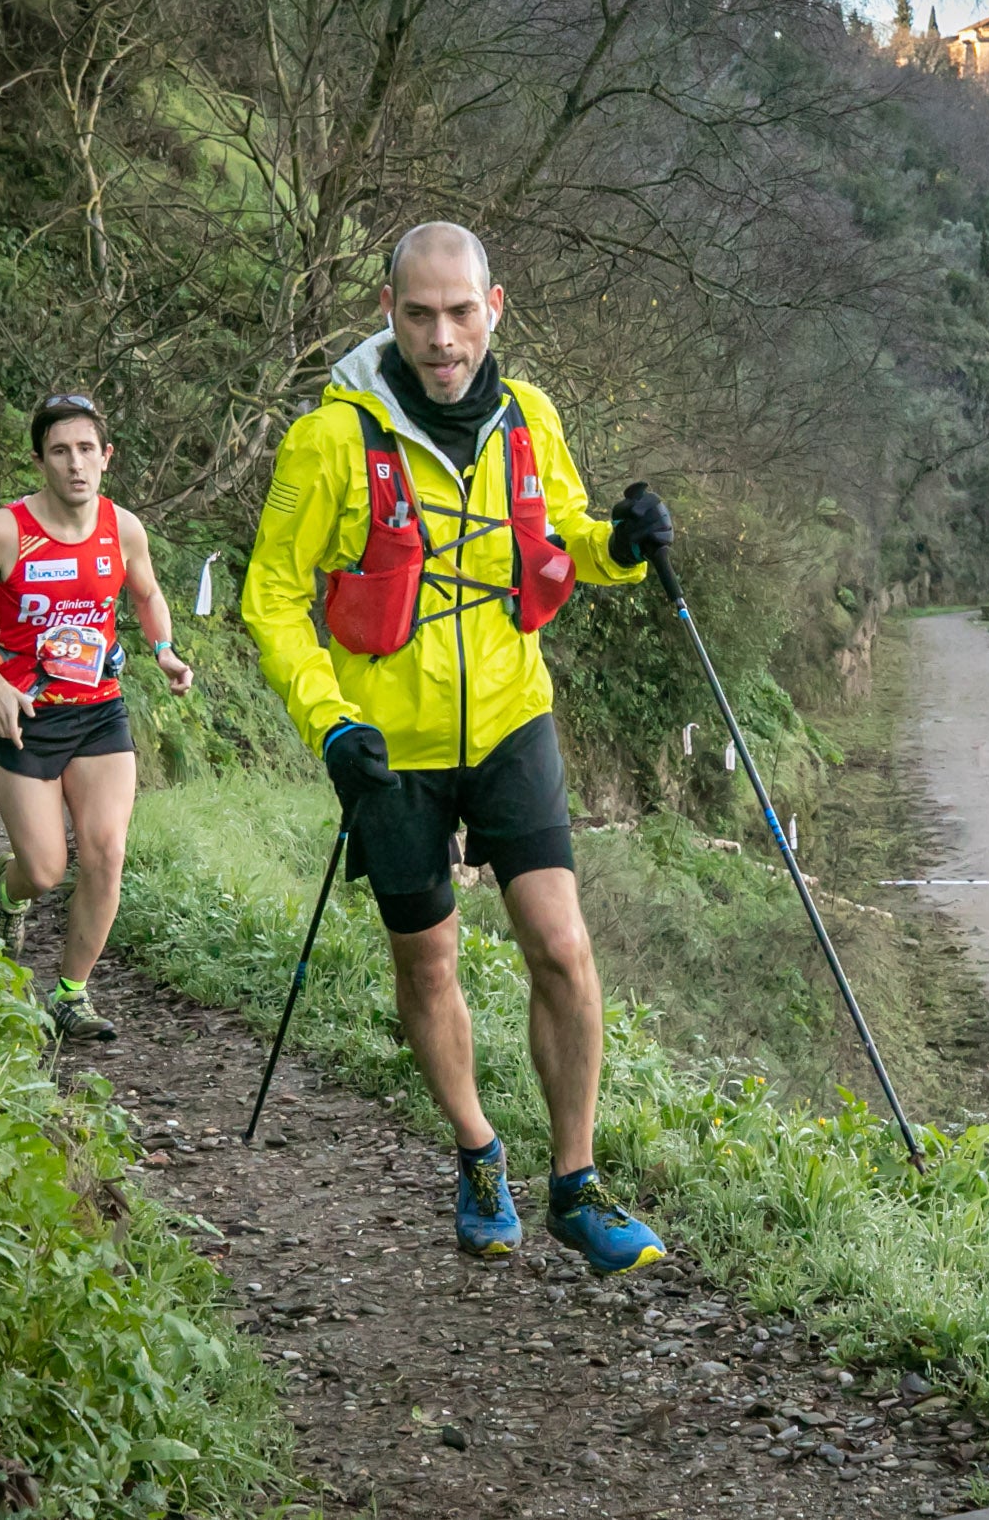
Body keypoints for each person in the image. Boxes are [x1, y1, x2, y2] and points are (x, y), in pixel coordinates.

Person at [242, 221, 675, 1275]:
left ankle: (573, 1184)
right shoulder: (330, 442)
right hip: (388, 745)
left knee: (561, 947)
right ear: (388, 314)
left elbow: (561, 533)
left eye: (460, 312)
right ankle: (479, 1152)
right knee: (427, 958)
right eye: (420, 314)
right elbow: (270, 599)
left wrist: (620, 548)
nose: (443, 337)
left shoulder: (531, 418)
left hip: (512, 716)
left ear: (494, 309)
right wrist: (328, 722)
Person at [0, 394, 194, 1042]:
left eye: (86, 449)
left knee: (106, 852)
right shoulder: (4, 532)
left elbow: (148, 592)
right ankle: (9, 889)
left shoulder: (122, 528)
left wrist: (162, 651)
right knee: (45, 869)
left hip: (100, 713)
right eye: (59, 451)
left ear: (106, 457)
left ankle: (71, 995)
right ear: (39, 460)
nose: (74, 464)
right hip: (23, 717)